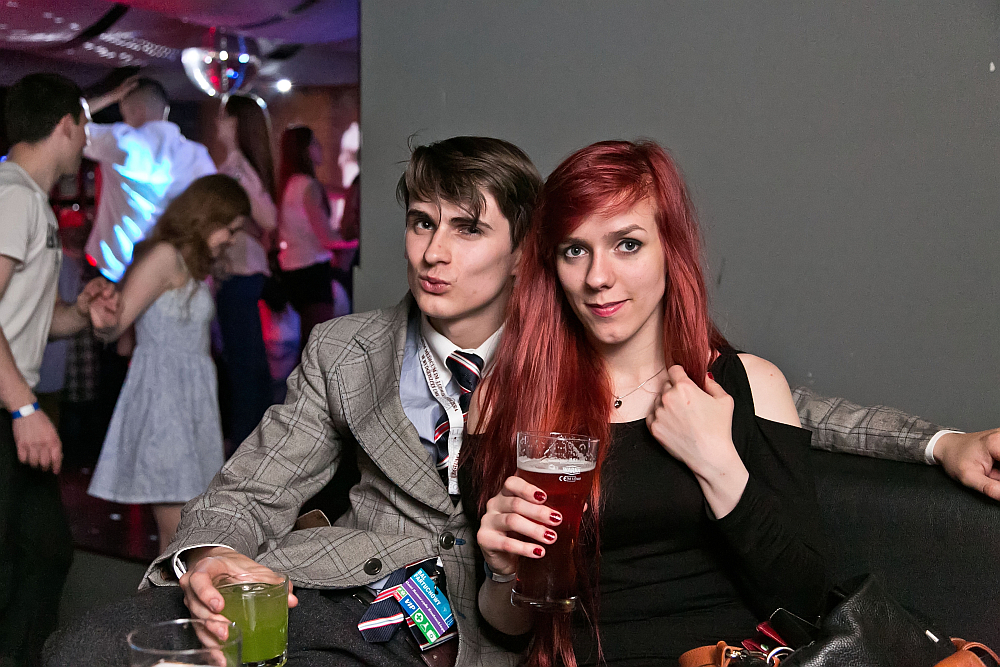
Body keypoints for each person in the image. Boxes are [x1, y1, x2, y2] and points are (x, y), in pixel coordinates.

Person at [44, 136, 998, 667]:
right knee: (90, 644)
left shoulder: (603, 355)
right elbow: (251, 488)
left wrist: (940, 441)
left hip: (474, 631)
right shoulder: (365, 354)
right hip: (363, 592)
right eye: (420, 223)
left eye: (466, 229)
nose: (432, 253)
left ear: (519, 253)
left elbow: (785, 409)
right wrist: (211, 558)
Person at [464, 140, 827, 665]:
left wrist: (716, 463)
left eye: (627, 245)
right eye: (574, 250)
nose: (598, 277)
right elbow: (509, 632)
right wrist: (502, 574)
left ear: (670, 249)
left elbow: (807, 604)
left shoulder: (750, 383)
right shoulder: (505, 401)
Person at [0, 72, 116, 667]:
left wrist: (83, 313)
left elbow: (33, 320)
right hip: (8, 405)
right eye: (85, 128)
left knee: (44, 553)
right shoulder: (13, 194)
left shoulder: (28, 199)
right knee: (24, 559)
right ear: (66, 125)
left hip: (12, 405)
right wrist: (24, 407)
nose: (87, 143)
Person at [86, 174, 250, 551]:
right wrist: (102, 316)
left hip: (191, 402)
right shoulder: (164, 256)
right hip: (165, 402)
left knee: (188, 533)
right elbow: (117, 326)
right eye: (230, 228)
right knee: (178, 536)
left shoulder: (193, 266)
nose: (232, 239)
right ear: (207, 217)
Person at [83, 77, 217, 281]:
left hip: (114, 270)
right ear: (166, 110)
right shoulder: (197, 156)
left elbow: (67, 125)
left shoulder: (120, 141)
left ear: (134, 110)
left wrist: (110, 96)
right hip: (170, 271)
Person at [214, 95, 279, 450]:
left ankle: (248, 445)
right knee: (246, 364)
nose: (218, 122)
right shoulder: (236, 165)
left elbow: (268, 218)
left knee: (244, 366)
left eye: (224, 116)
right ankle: (253, 443)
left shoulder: (238, 168)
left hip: (239, 275)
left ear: (237, 123)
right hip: (241, 275)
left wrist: (236, 224)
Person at [276, 125, 337, 349]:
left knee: (306, 342)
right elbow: (326, 236)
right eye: (315, 143)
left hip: (290, 269)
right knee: (319, 343)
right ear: (305, 150)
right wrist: (354, 242)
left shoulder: (286, 185)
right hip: (313, 270)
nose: (320, 148)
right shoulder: (308, 186)